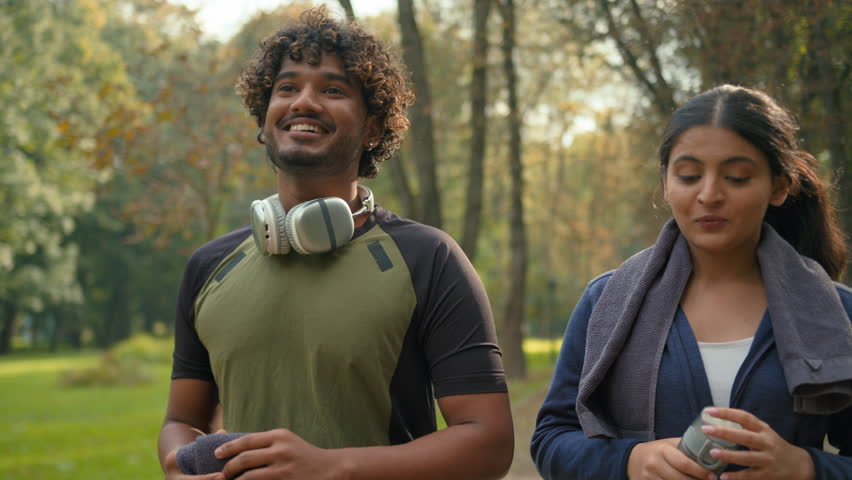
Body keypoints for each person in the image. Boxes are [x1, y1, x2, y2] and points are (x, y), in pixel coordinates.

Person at [157, 8, 513, 480]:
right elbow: (181, 420)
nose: (304, 101)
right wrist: (178, 464)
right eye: (286, 88)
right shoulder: (209, 265)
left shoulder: (429, 258)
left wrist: (329, 467)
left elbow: (488, 443)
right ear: (264, 121)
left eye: (332, 89)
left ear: (372, 128)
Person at [530, 85, 852, 480]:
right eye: (689, 175)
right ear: (666, 183)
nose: (710, 194)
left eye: (736, 177)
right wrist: (629, 461)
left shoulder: (836, 311)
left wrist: (806, 467)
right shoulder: (607, 301)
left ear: (780, 186)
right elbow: (551, 438)